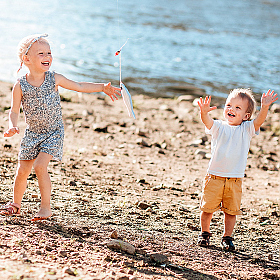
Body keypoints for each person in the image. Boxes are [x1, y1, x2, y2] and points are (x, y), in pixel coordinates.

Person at [1, 34, 121, 221]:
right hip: (32, 133)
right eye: (41, 53)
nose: (47, 56)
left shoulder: (54, 78)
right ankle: (16, 204)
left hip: (53, 132)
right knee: (22, 170)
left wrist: (102, 87)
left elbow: (79, 86)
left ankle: (45, 208)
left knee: (40, 166)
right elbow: (14, 110)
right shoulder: (20, 85)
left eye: (49, 52)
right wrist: (12, 126)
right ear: (26, 59)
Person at [197, 88, 278, 251]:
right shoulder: (219, 126)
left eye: (237, 108)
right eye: (228, 105)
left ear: (246, 116)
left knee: (231, 211)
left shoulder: (246, 129)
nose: (231, 109)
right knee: (207, 208)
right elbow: (208, 122)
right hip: (214, 176)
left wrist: (265, 107)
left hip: (235, 179)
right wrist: (204, 112)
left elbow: (259, 121)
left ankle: (227, 237)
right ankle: (204, 233)